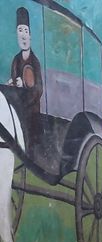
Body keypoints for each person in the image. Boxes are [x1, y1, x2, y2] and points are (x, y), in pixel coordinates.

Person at [9, 7, 43, 148]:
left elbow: (39, 89)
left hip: (32, 113)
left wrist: (23, 84)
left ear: (30, 36)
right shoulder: (16, 60)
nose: (23, 36)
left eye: (26, 31)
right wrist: (12, 84)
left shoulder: (34, 61)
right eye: (20, 31)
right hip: (17, 110)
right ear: (17, 35)